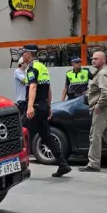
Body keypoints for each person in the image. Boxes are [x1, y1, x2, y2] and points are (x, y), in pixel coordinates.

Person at [23, 44, 71, 178]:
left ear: (28, 54)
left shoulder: (32, 68)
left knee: (21, 133)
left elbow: (32, 87)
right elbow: (49, 90)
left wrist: (30, 106)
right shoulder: (43, 67)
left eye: (23, 53)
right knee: (46, 136)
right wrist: (48, 107)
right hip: (43, 106)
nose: (22, 56)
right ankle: (63, 164)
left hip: (36, 107)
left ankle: (21, 167)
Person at [79, 50, 107, 172]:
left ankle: (93, 163)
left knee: (95, 135)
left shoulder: (102, 74)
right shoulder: (102, 72)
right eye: (92, 58)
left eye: (96, 59)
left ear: (104, 60)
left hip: (104, 107)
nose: (93, 60)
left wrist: (98, 106)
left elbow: (105, 92)